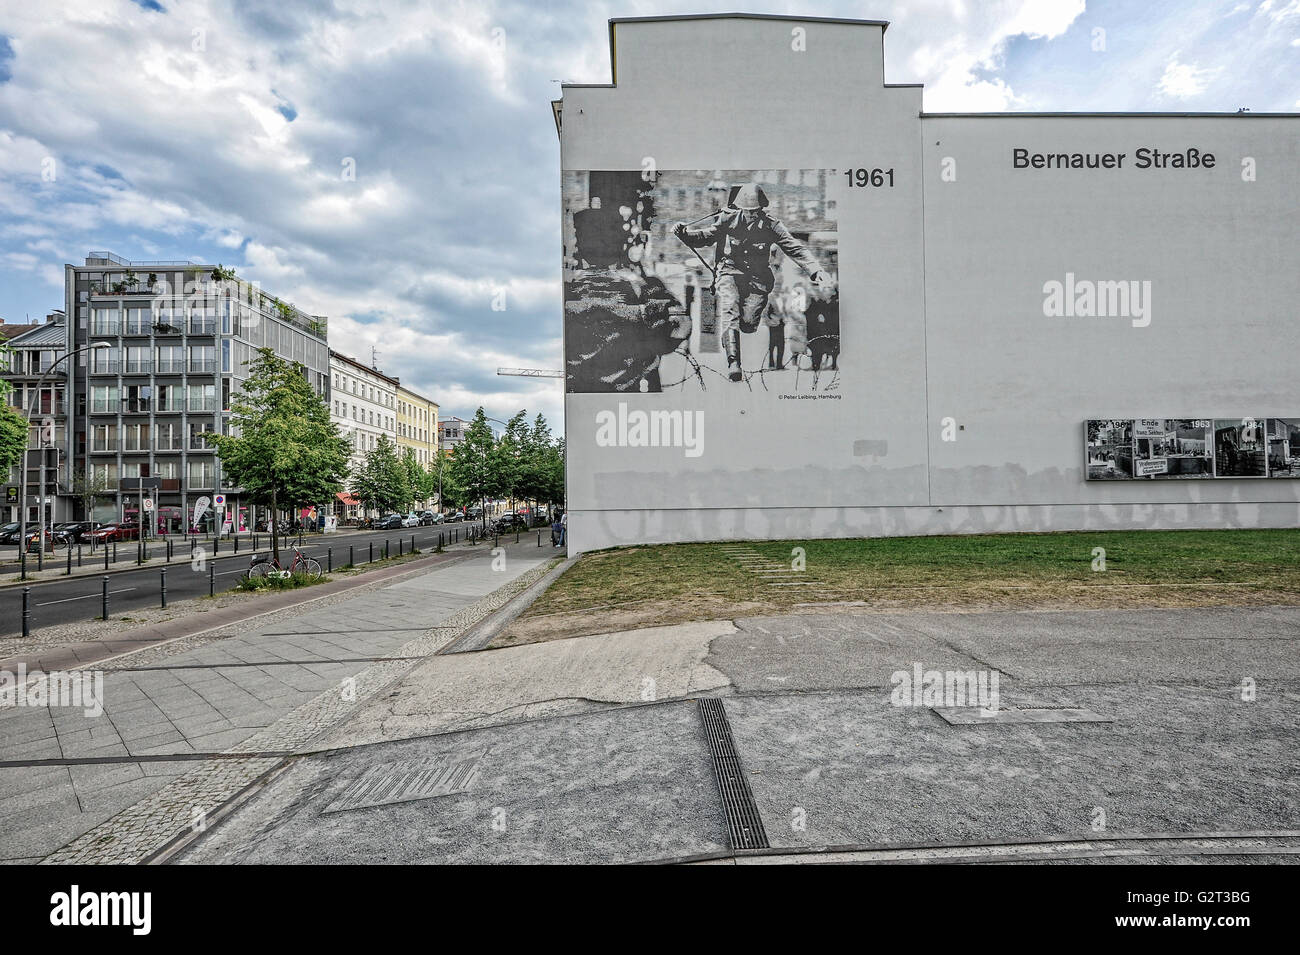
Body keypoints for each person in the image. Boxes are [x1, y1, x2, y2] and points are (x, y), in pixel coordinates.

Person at [673, 183, 830, 381]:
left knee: (747, 324)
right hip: (729, 272)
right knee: (730, 309)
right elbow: (706, 236)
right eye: (747, 211)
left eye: (755, 211)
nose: (751, 215)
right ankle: (733, 363)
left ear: (761, 209)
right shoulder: (728, 219)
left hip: (758, 280)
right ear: (740, 208)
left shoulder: (771, 225)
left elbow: (794, 247)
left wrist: (816, 270)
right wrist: (684, 233)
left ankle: (741, 335)